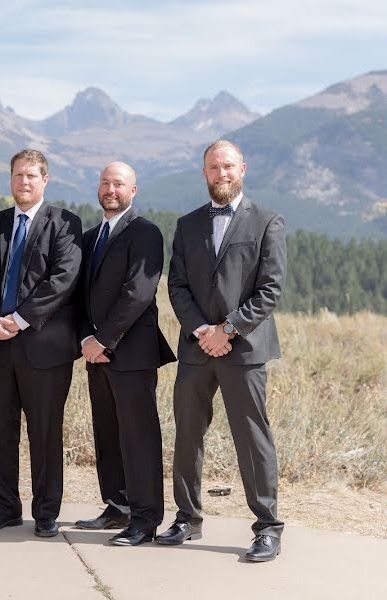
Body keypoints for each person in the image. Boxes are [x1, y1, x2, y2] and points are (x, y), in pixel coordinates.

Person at [160, 140, 287, 562]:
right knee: (187, 435)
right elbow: (176, 284)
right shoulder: (187, 224)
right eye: (214, 167)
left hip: (244, 350)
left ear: (243, 169)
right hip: (197, 349)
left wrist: (227, 329)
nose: (222, 173)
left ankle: (268, 527)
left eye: (228, 166)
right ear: (204, 173)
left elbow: (270, 290)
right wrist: (202, 330)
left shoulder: (267, 222)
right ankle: (187, 518)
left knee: (252, 439)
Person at [0, 149, 82, 538]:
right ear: (11, 179)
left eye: (32, 176)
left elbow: (62, 280)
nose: (24, 182)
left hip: (43, 346)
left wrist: (18, 320)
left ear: (45, 180)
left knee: (45, 432)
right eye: (18, 175)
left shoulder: (65, 223)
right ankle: (4, 507)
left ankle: (47, 512)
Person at [74, 162, 175, 546]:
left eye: (119, 183)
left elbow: (138, 292)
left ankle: (145, 520)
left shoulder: (145, 233)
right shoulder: (90, 237)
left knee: (139, 437)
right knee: (107, 432)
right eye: (105, 182)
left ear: (134, 190)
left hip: (131, 352)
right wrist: (86, 338)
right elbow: (79, 295)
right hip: (95, 352)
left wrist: (103, 339)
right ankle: (117, 507)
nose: (111, 189)